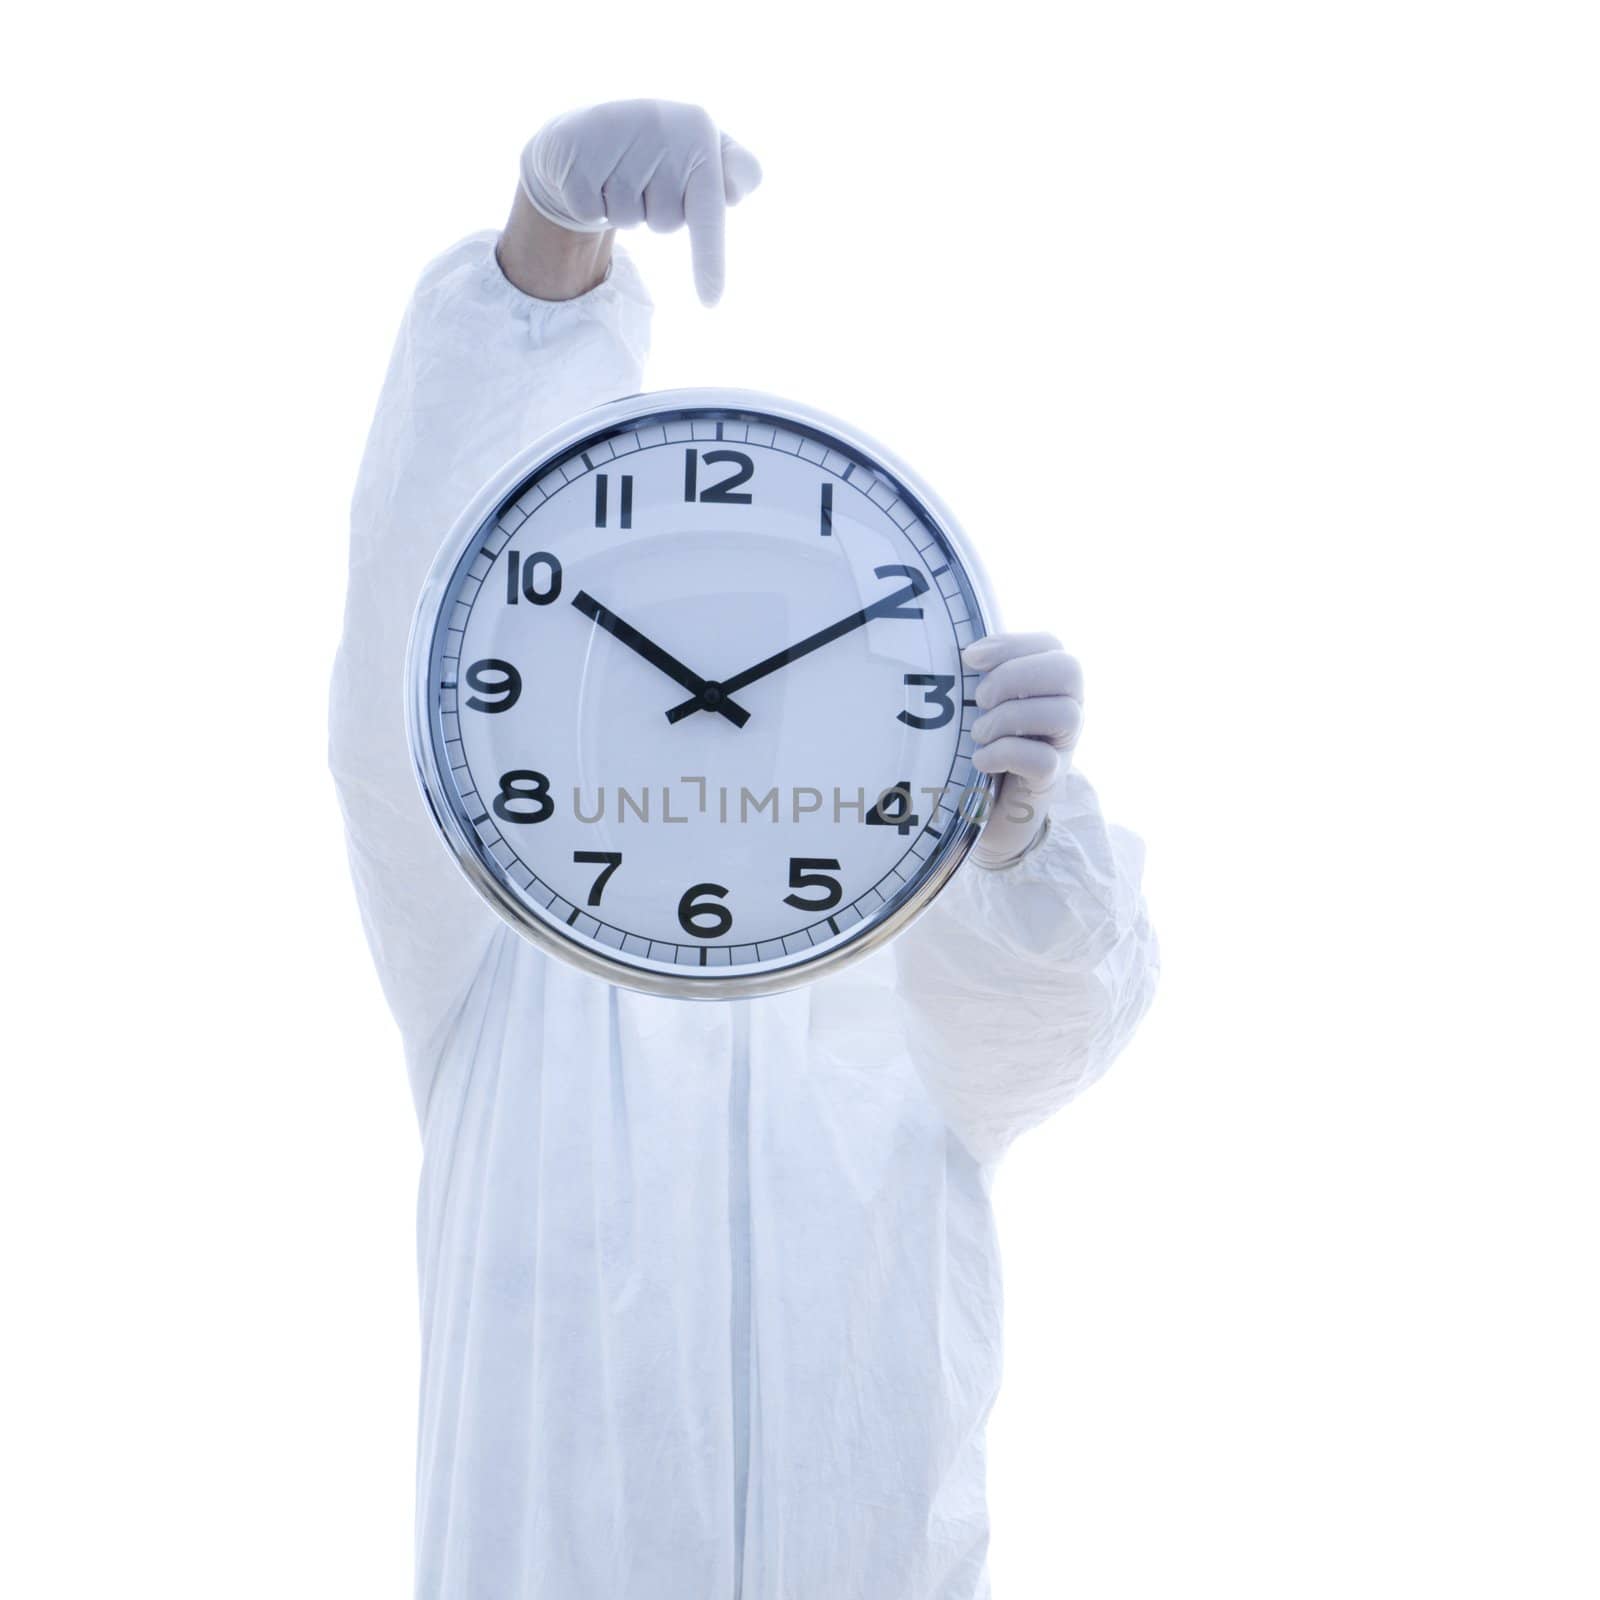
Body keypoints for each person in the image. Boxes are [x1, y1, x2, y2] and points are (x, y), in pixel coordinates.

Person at [330, 99, 1158, 1600]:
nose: (712, 713)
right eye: (661, 663)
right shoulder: (492, 969)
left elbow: (1050, 1018)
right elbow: (417, 587)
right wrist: (544, 261)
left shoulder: (910, 993)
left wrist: (1017, 853)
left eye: (775, 669)